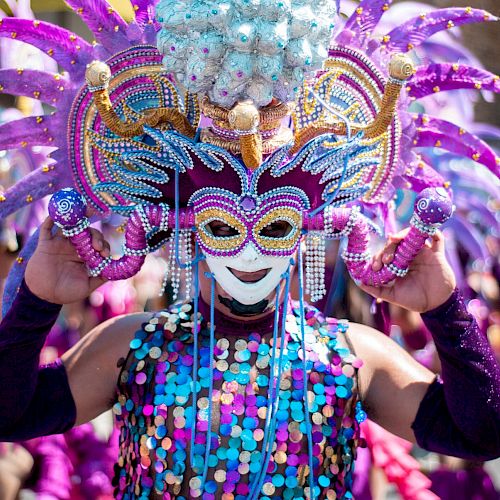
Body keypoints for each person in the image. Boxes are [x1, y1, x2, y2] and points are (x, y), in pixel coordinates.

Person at [0, 1, 499, 499]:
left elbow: (481, 434)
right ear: (187, 230)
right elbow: (9, 415)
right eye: (222, 226)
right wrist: (36, 301)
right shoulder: (133, 347)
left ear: (307, 229)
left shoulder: (352, 355)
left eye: (276, 225)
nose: (249, 251)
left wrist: (445, 310)